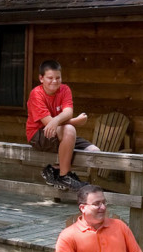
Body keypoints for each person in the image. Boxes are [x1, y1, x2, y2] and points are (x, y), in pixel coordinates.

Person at [25, 60, 98, 191]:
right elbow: (49, 125)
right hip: (39, 135)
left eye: (58, 78)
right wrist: (76, 121)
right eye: (50, 78)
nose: (54, 81)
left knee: (95, 153)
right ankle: (65, 176)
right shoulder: (36, 94)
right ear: (41, 78)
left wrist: (56, 120)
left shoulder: (65, 89)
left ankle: (54, 170)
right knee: (70, 129)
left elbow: (68, 112)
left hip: (60, 134)